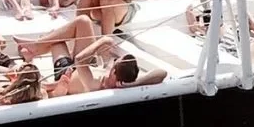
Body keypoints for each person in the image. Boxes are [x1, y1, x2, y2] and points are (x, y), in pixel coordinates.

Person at [13, 15, 167, 96]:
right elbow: (162, 72)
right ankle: (34, 48)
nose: (113, 62)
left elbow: (80, 60)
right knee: (83, 21)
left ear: (114, 71)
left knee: (56, 40)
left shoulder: (95, 84)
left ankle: (34, 49)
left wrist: (102, 41)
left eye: (115, 62)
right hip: (86, 65)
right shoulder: (123, 81)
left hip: (65, 72)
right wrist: (135, 84)